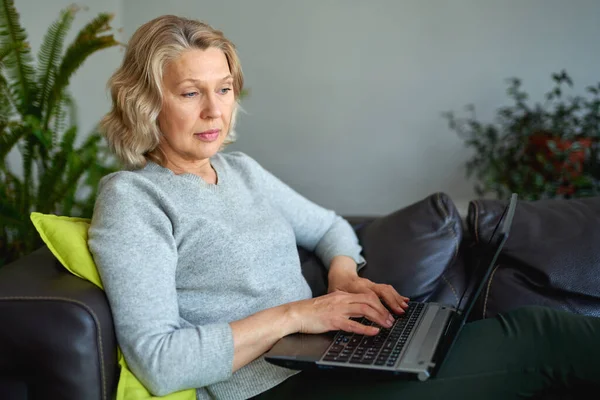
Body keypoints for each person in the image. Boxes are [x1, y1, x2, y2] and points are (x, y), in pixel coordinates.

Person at [88, 15, 600, 400]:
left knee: (531, 329)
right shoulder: (133, 199)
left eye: (223, 90)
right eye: (190, 93)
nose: (214, 111)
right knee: (540, 335)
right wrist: (298, 315)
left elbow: (331, 226)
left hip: (327, 362)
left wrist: (342, 276)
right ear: (146, 102)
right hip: (272, 391)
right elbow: (159, 362)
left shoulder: (241, 170)